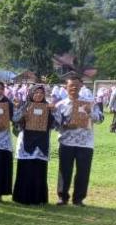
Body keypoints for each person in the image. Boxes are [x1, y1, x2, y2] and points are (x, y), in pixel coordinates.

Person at [54, 75, 104, 206]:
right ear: (66, 87)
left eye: (76, 85)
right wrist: (65, 125)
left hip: (85, 143)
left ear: (81, 86)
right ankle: (62, 197)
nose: (74, 88)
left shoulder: (89, 102)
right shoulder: (60, 105)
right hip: (66, 142)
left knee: (83, 171)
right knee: (64, 170)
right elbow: (55, 124)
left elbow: (100, 119)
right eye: (71, 86)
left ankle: (79, 199)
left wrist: (90, 113)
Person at [12, 85, 55, 205]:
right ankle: (22, 198)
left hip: (42, 142)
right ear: (31, 94)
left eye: (41, 93)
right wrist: (22, 113)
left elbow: (56, 124)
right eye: (36, 92)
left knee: (39, 170)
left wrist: (54, 110)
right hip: (26, 141)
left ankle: (38, 198)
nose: (39, 95)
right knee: (25, 169)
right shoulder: (25, 105)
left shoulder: (48, 106)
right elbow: (14, 120)